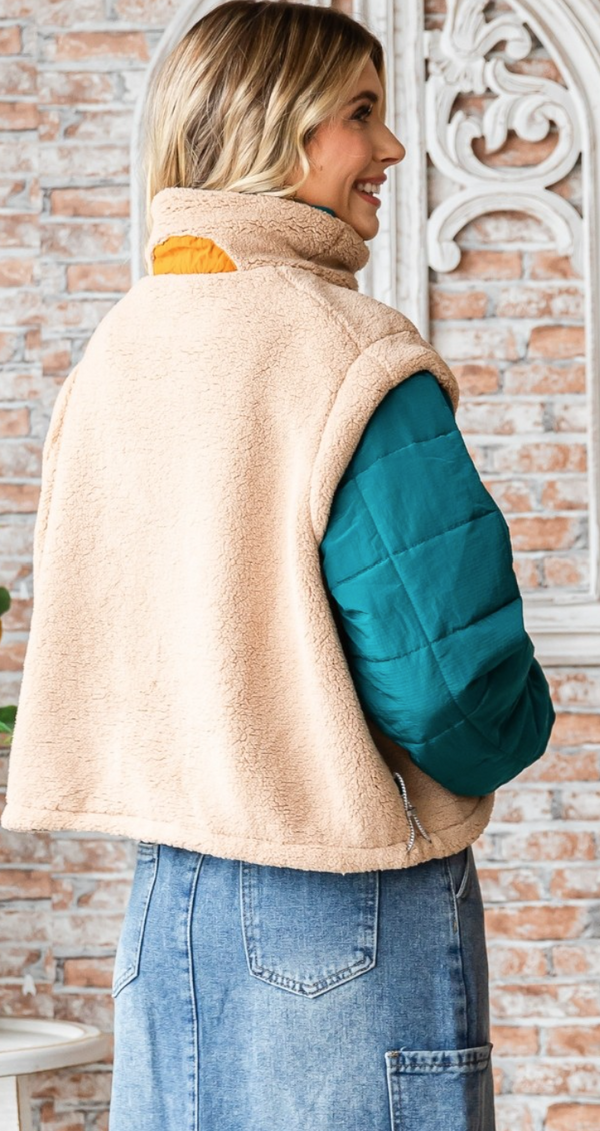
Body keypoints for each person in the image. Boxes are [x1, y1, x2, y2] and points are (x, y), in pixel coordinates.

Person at [1, 3, 555, 1129]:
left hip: (166, 905)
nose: (391, 147)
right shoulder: (345, 347)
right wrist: (516, 734)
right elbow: (451, 686)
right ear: (276, 129)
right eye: (361, 114)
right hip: (341, 910)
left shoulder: (121, 348)